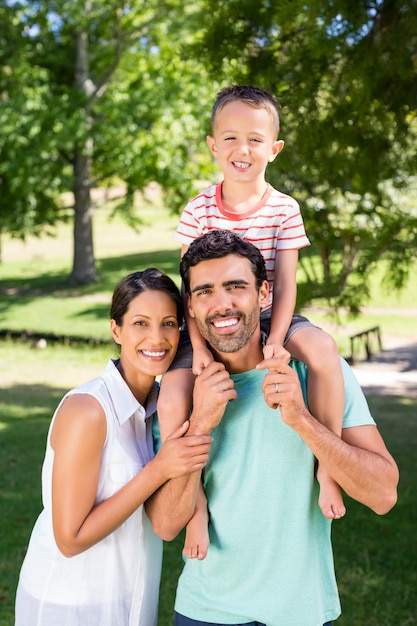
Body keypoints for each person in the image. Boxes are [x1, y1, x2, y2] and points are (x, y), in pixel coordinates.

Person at [146, 230, 399, 626]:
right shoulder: (178, 397)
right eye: (205, 292)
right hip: (206, 612)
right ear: (191, 308)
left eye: (236, 287)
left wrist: (303, 420)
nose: (222, 304)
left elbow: (383, 494)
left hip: (301, 612)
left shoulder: (317, 374)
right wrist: (202, 423)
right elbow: (165, 523)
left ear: (264, 294)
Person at [157, 85, 345, 562]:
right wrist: (197, 347)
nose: (243, 150)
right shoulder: (198, 209)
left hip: (268, 313)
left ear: (274, 149)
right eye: (231, 138)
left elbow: (285, 283)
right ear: (213, 145)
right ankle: (194, 505)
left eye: (256, 140)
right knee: (174, 398)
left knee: (323, 351)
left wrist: (276, 341)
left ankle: (328, 463)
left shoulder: (284, 208)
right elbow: (189, 290)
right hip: (207, 322)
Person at [14, 268, 213, 626]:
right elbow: (69, 539)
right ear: (116, 329)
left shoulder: (161, 411)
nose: (157, 338)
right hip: (69, 605)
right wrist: (159, 469)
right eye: (140, 323)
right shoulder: (88, 410)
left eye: (169, 324)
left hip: (131, 603)